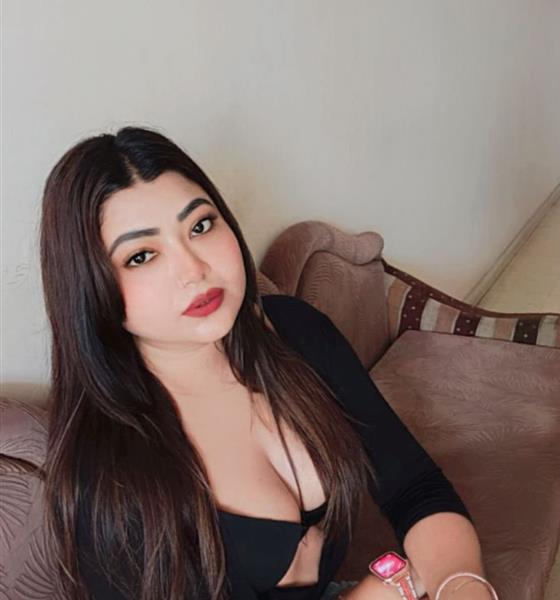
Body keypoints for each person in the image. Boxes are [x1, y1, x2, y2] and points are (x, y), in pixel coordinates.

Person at [39, 126, 495, 600]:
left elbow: (414, 488)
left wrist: (462, 584)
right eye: (141, 256)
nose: (194, 270)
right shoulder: (104, 476)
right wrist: (383, 591)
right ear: (91, 289)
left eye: (200, 226)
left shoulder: (295, 332)